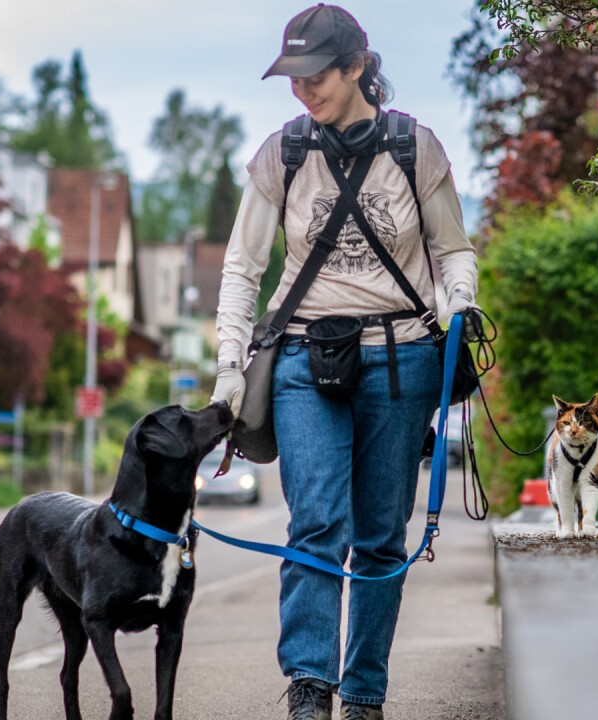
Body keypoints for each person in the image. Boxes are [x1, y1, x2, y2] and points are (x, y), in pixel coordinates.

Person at [210, 5, 478, 718]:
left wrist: (458, 304)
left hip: (404, 357)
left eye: (316, 76)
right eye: (293, 79)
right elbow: (242, 268)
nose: (303, 91)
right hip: (303, 357)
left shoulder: (415, 148)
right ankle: (309, 686)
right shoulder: (283, 155)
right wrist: (230, 365)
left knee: (380, 538)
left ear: (356, 66)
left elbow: (453, 250)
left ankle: (363, 694)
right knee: (315, 525)